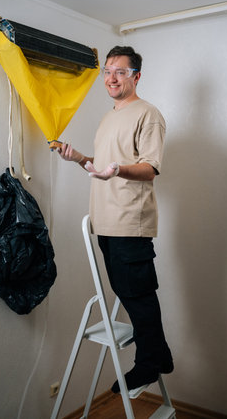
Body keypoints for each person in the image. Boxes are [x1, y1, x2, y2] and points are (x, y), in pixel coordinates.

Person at [58, 46, 173, 394]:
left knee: (137, 294)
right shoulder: (109, 117)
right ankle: (159, 355)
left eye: (120, 71)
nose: (111, 77)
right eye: (107, 71)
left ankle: (151, 362)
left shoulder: (148, 114)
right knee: (125, 290)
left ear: (136, 76)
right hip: (104, 221)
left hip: (129, 221)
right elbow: (105, 165)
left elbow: (150, 168)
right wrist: (80, 159)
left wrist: (118, 170)